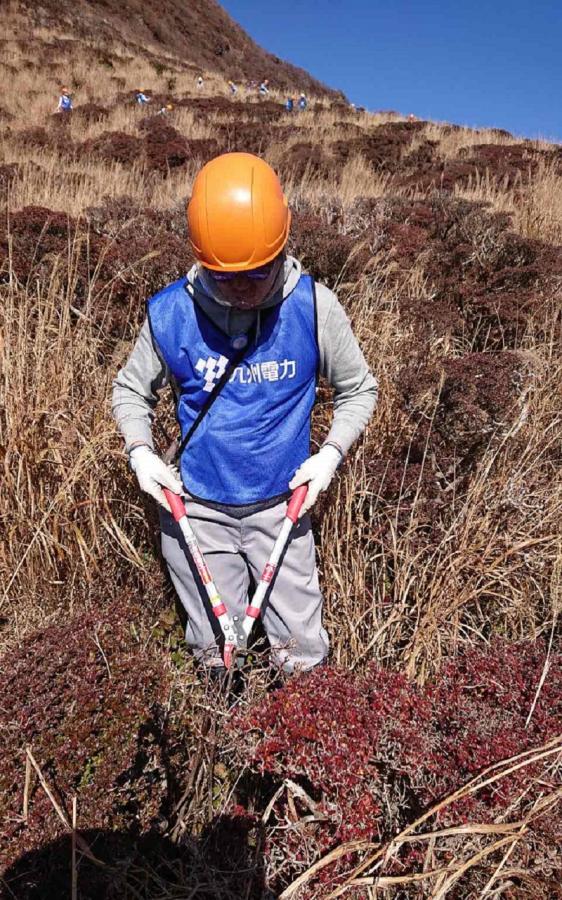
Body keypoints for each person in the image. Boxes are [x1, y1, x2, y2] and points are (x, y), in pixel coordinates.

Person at [112, 153, 377, 677]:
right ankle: (219, 737)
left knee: (301, 652)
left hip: (283, 507)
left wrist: (329, 454)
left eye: (258, 273)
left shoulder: (314, 307)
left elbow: (359, 389)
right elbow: (128, 390)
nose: (244, 289)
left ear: (282, 247)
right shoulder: (170, 314)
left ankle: (298, 745)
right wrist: (140, 451)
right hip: (196, 511)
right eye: (226, 277)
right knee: (213, 652)